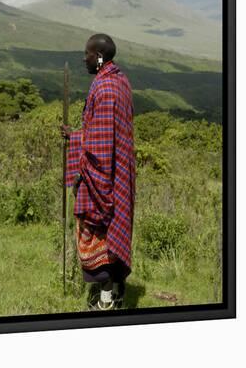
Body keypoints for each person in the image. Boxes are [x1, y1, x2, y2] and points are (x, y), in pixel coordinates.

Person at [61, 33, 136, 310]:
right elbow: (102, 133)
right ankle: (118, 294)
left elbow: (100, 148)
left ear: (100, 57)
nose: (85, 58)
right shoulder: (120, 80)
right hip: (121, 173)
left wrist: (96, 186)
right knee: (116, 232)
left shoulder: (104, 88)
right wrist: (76, 135)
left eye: (88, 54)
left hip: (105, 177)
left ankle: (105, 303)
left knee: (100, 233)